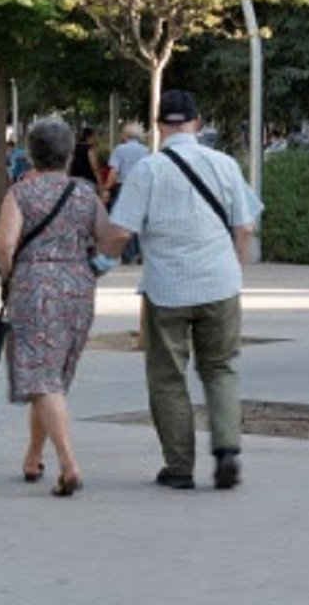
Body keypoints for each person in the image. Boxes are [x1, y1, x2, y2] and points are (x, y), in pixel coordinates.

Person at [109, 90, 262, 492]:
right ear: (197, 122)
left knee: (167, 377)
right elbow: (245, 226)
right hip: (220, 285)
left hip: (167, 289)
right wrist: (235, 267)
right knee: (221, 368)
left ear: (159, 127)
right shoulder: (224, 164)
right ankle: (227, 450)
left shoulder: (148, 169)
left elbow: (123, 231)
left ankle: (178, 468)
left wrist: (101, 262)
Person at [0, 119, 130, 498]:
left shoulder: (21, 193)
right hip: (78, 288)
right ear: (69, 154)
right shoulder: (85, 193)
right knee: (52, 376)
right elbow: (114, 235)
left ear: (31, 153)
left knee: (43, 378)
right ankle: (33, 456)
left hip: (34, 288)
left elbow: (5, 245)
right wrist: (98, 265)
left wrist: (10, 277)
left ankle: (69, 464)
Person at [106, 122, 150, 264]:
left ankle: (127, 254)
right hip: (141, 187)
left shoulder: (119, 149)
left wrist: (106, 187)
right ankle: (140, 252)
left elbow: (114, 171)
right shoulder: (146, 150)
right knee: (140, 220)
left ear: (125, 135)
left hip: (123, 186)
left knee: (123, 221)